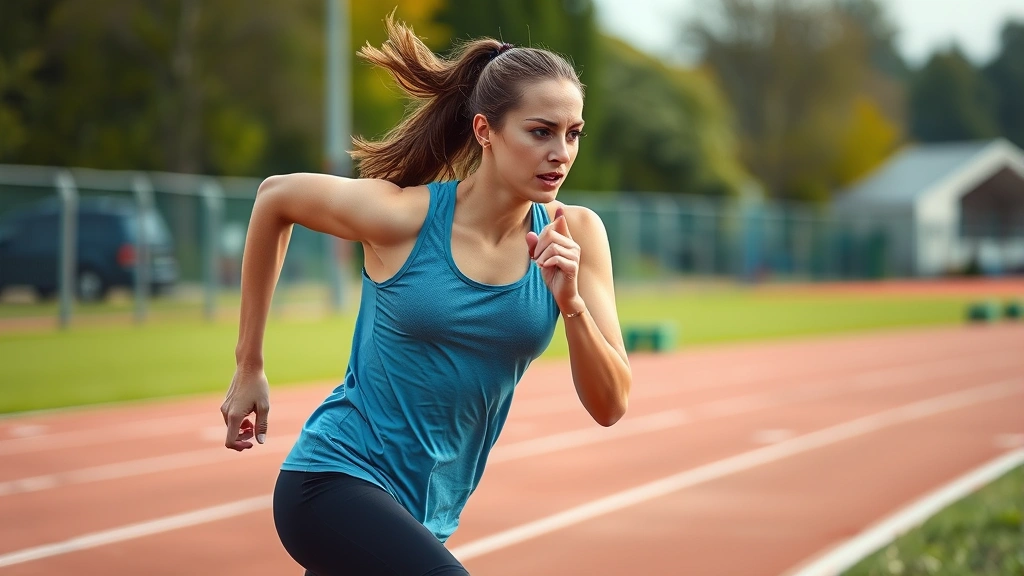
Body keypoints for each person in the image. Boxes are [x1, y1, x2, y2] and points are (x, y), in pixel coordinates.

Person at [220, 15, 632, 576]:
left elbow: (610, 406)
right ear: (485, 131)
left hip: (424, 512)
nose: (561, 152)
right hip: (334, 478)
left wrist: (572, 306)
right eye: (541, 132)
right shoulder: (405, 217)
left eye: (573, 133)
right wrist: (249, 366)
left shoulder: (576, 235)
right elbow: (275, 198)